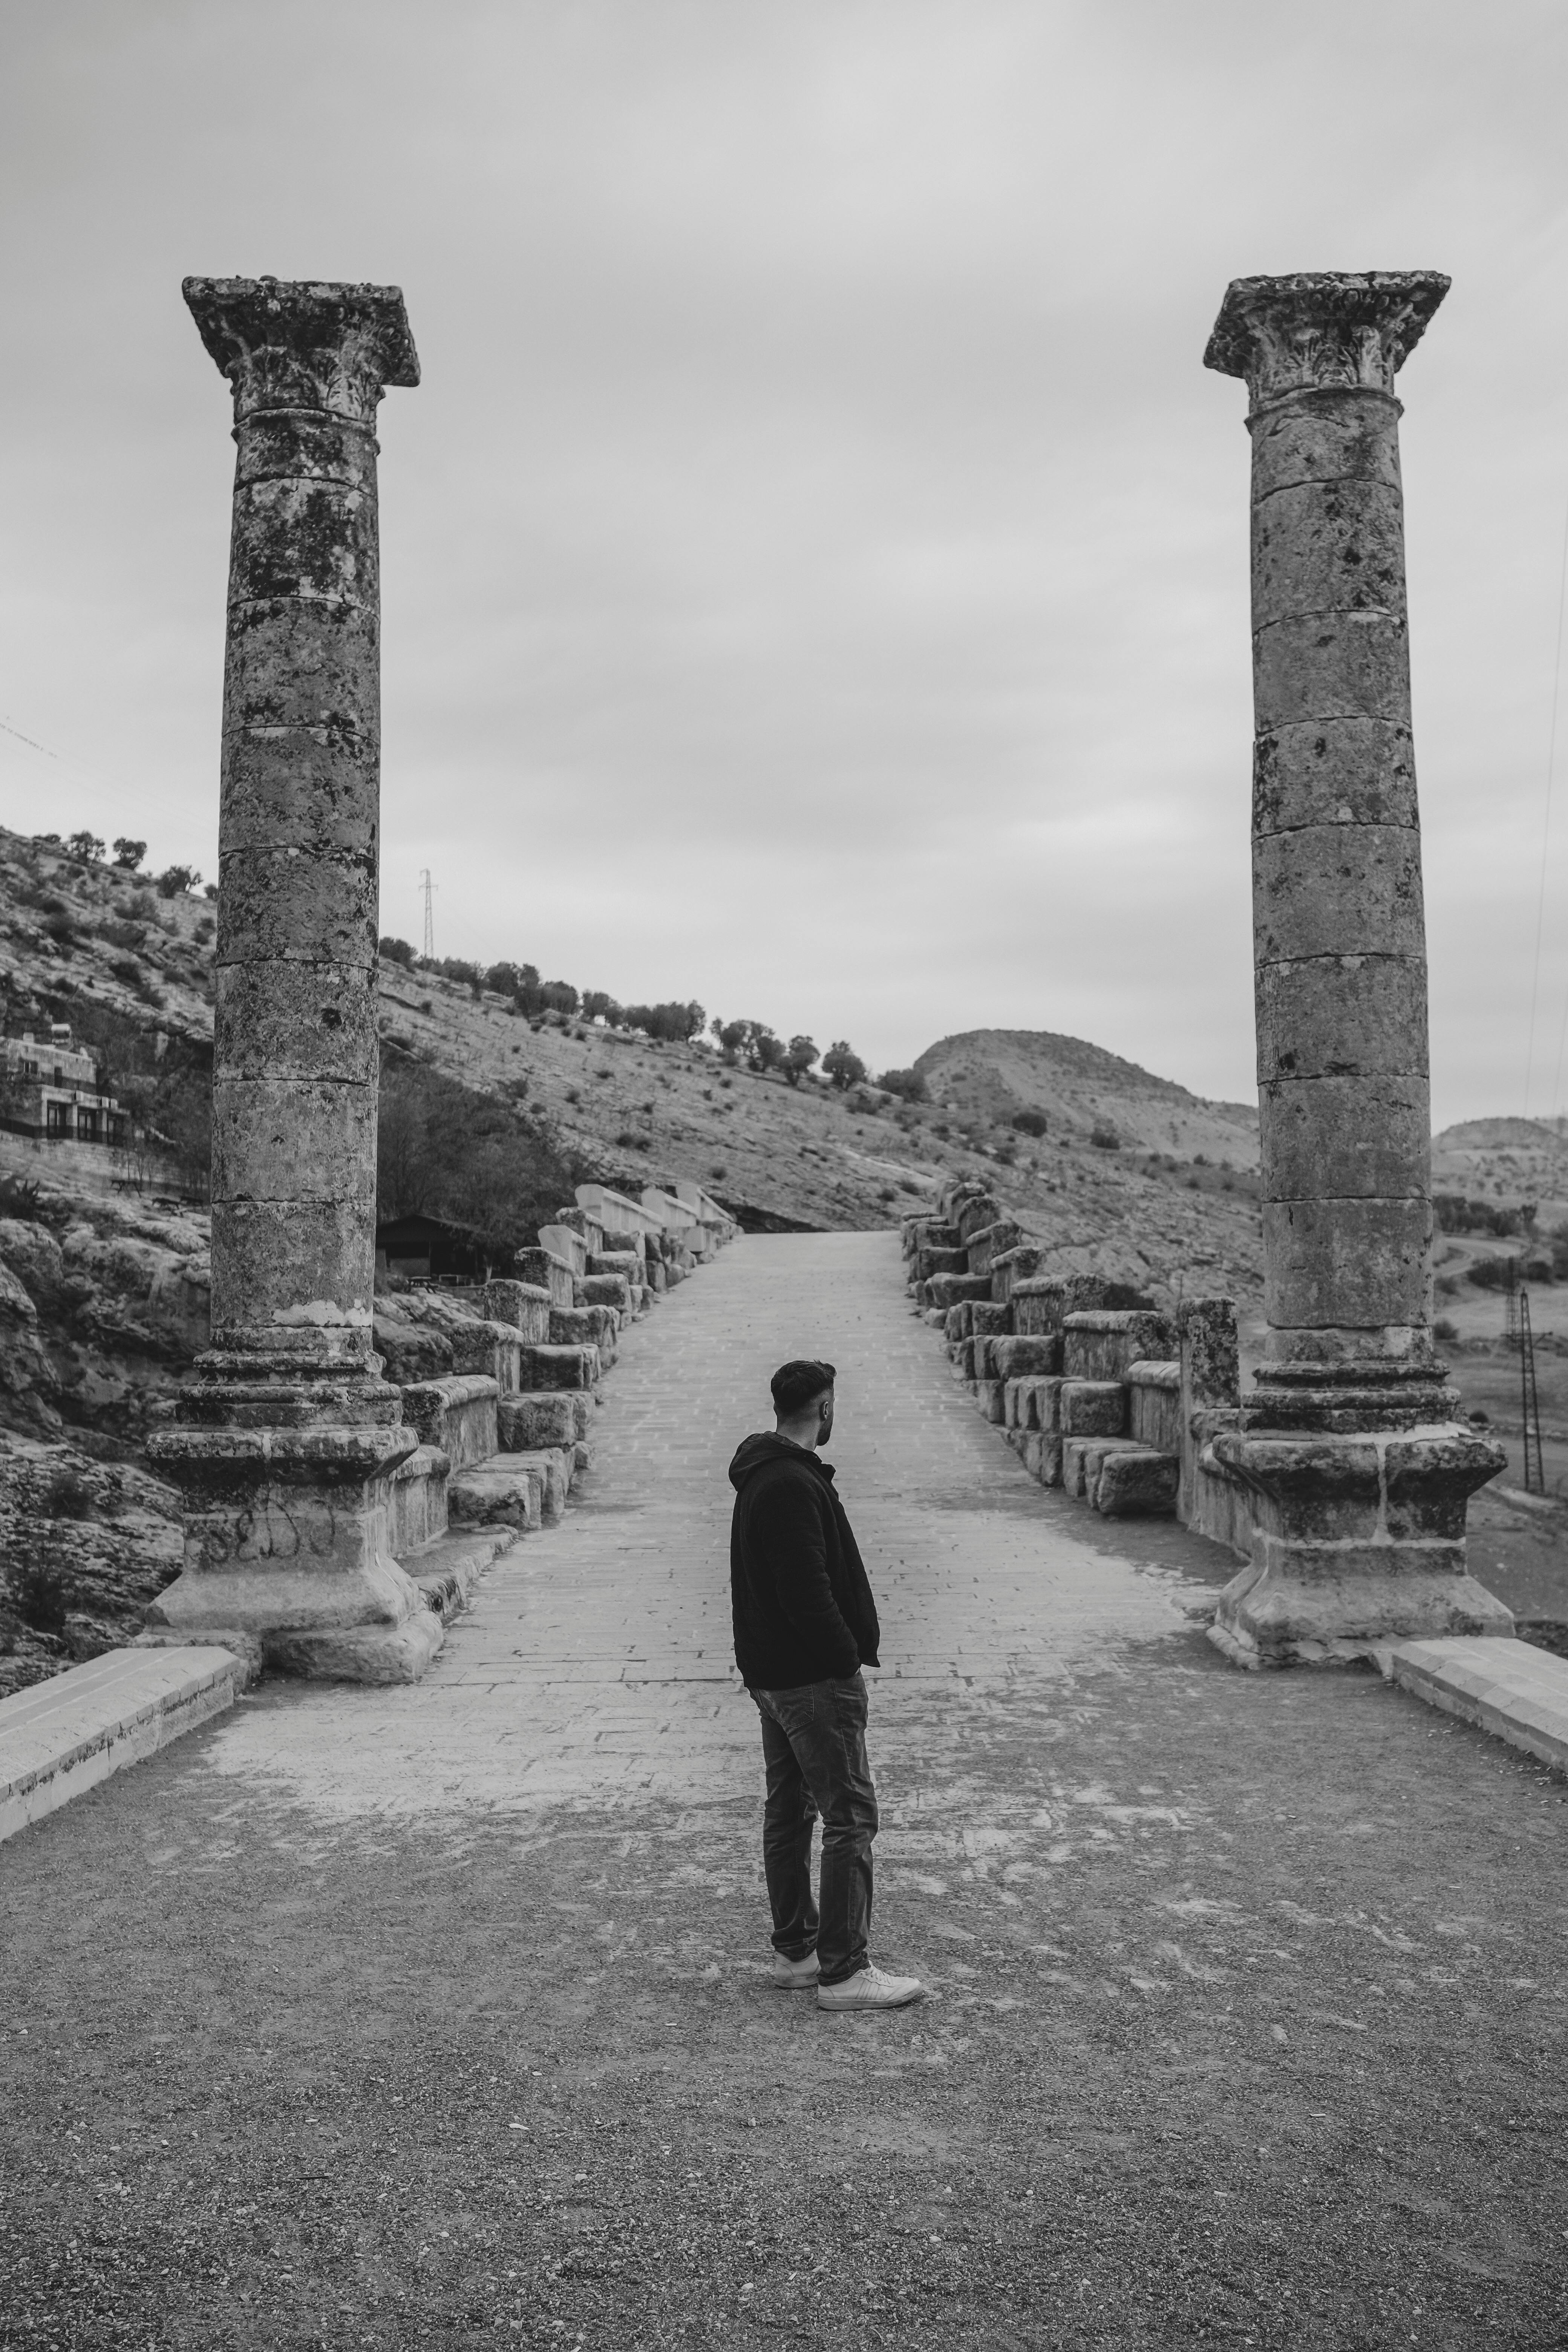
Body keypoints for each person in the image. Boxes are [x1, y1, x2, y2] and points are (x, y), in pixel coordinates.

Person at [728, 1357, 925, 2012]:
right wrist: (845, 1660)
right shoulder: (788, 1483)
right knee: (851, 1818)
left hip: (776, 1679)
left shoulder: (765, 1475)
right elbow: (805, 1592)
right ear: (825, 1409)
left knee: (790, 1813)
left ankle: (798, 1954)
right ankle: (843, 1971)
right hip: (811, 1682)